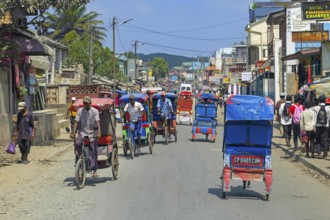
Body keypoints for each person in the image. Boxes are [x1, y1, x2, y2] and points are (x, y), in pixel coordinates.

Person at [70, 96, 101, 177]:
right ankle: (81, 157)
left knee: (93, 151)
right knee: (77, 143)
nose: (85, 104)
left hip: (92, 133)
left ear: (90, 103)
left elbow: (98, 122)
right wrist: (73, 133)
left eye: (87, 103)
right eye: (84, 103)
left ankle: (94, 170)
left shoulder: (95, 111)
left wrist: (98, 133)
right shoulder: (80, 111)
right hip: (82, 133)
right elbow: (76, 122)